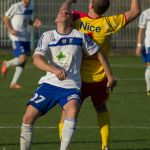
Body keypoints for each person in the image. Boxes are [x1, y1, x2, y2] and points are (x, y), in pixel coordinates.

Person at [20, 8, 116, 150]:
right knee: (28, 117)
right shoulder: (48, 35)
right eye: (60, 12)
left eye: (68, 13)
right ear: (56, 20)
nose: (64, 12)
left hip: (71, 86)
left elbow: (99, 53)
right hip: (49, 84)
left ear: (72, 21)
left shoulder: (80, 36)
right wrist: (54, 70)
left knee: (72, 110)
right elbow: (36, 59)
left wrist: (110, 77)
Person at [58, 0, 141, 149]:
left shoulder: (76, 18)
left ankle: (65, 145)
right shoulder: (108, 23)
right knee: (101, 108)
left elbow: (62, 14)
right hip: (100, 78)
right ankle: (105, 145)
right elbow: (135, 11)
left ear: (90, 5)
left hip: (76, 79)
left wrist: (69, 1)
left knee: (67, 111)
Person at [1, 0, 42, 89]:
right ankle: (6, 64)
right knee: (22, 58)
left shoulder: (31, 7)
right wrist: (11, 29)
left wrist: (34, 23)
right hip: (16, 36)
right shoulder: (16, 6)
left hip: (25, 35)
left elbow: (27, 21)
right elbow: (5, 18)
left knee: (24, 59)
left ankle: (13, 83)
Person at [135, 8, 150, 96]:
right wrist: (139, 45)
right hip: (149, 45)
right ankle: (149, 88)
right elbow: (141, 31)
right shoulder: (146, 13)